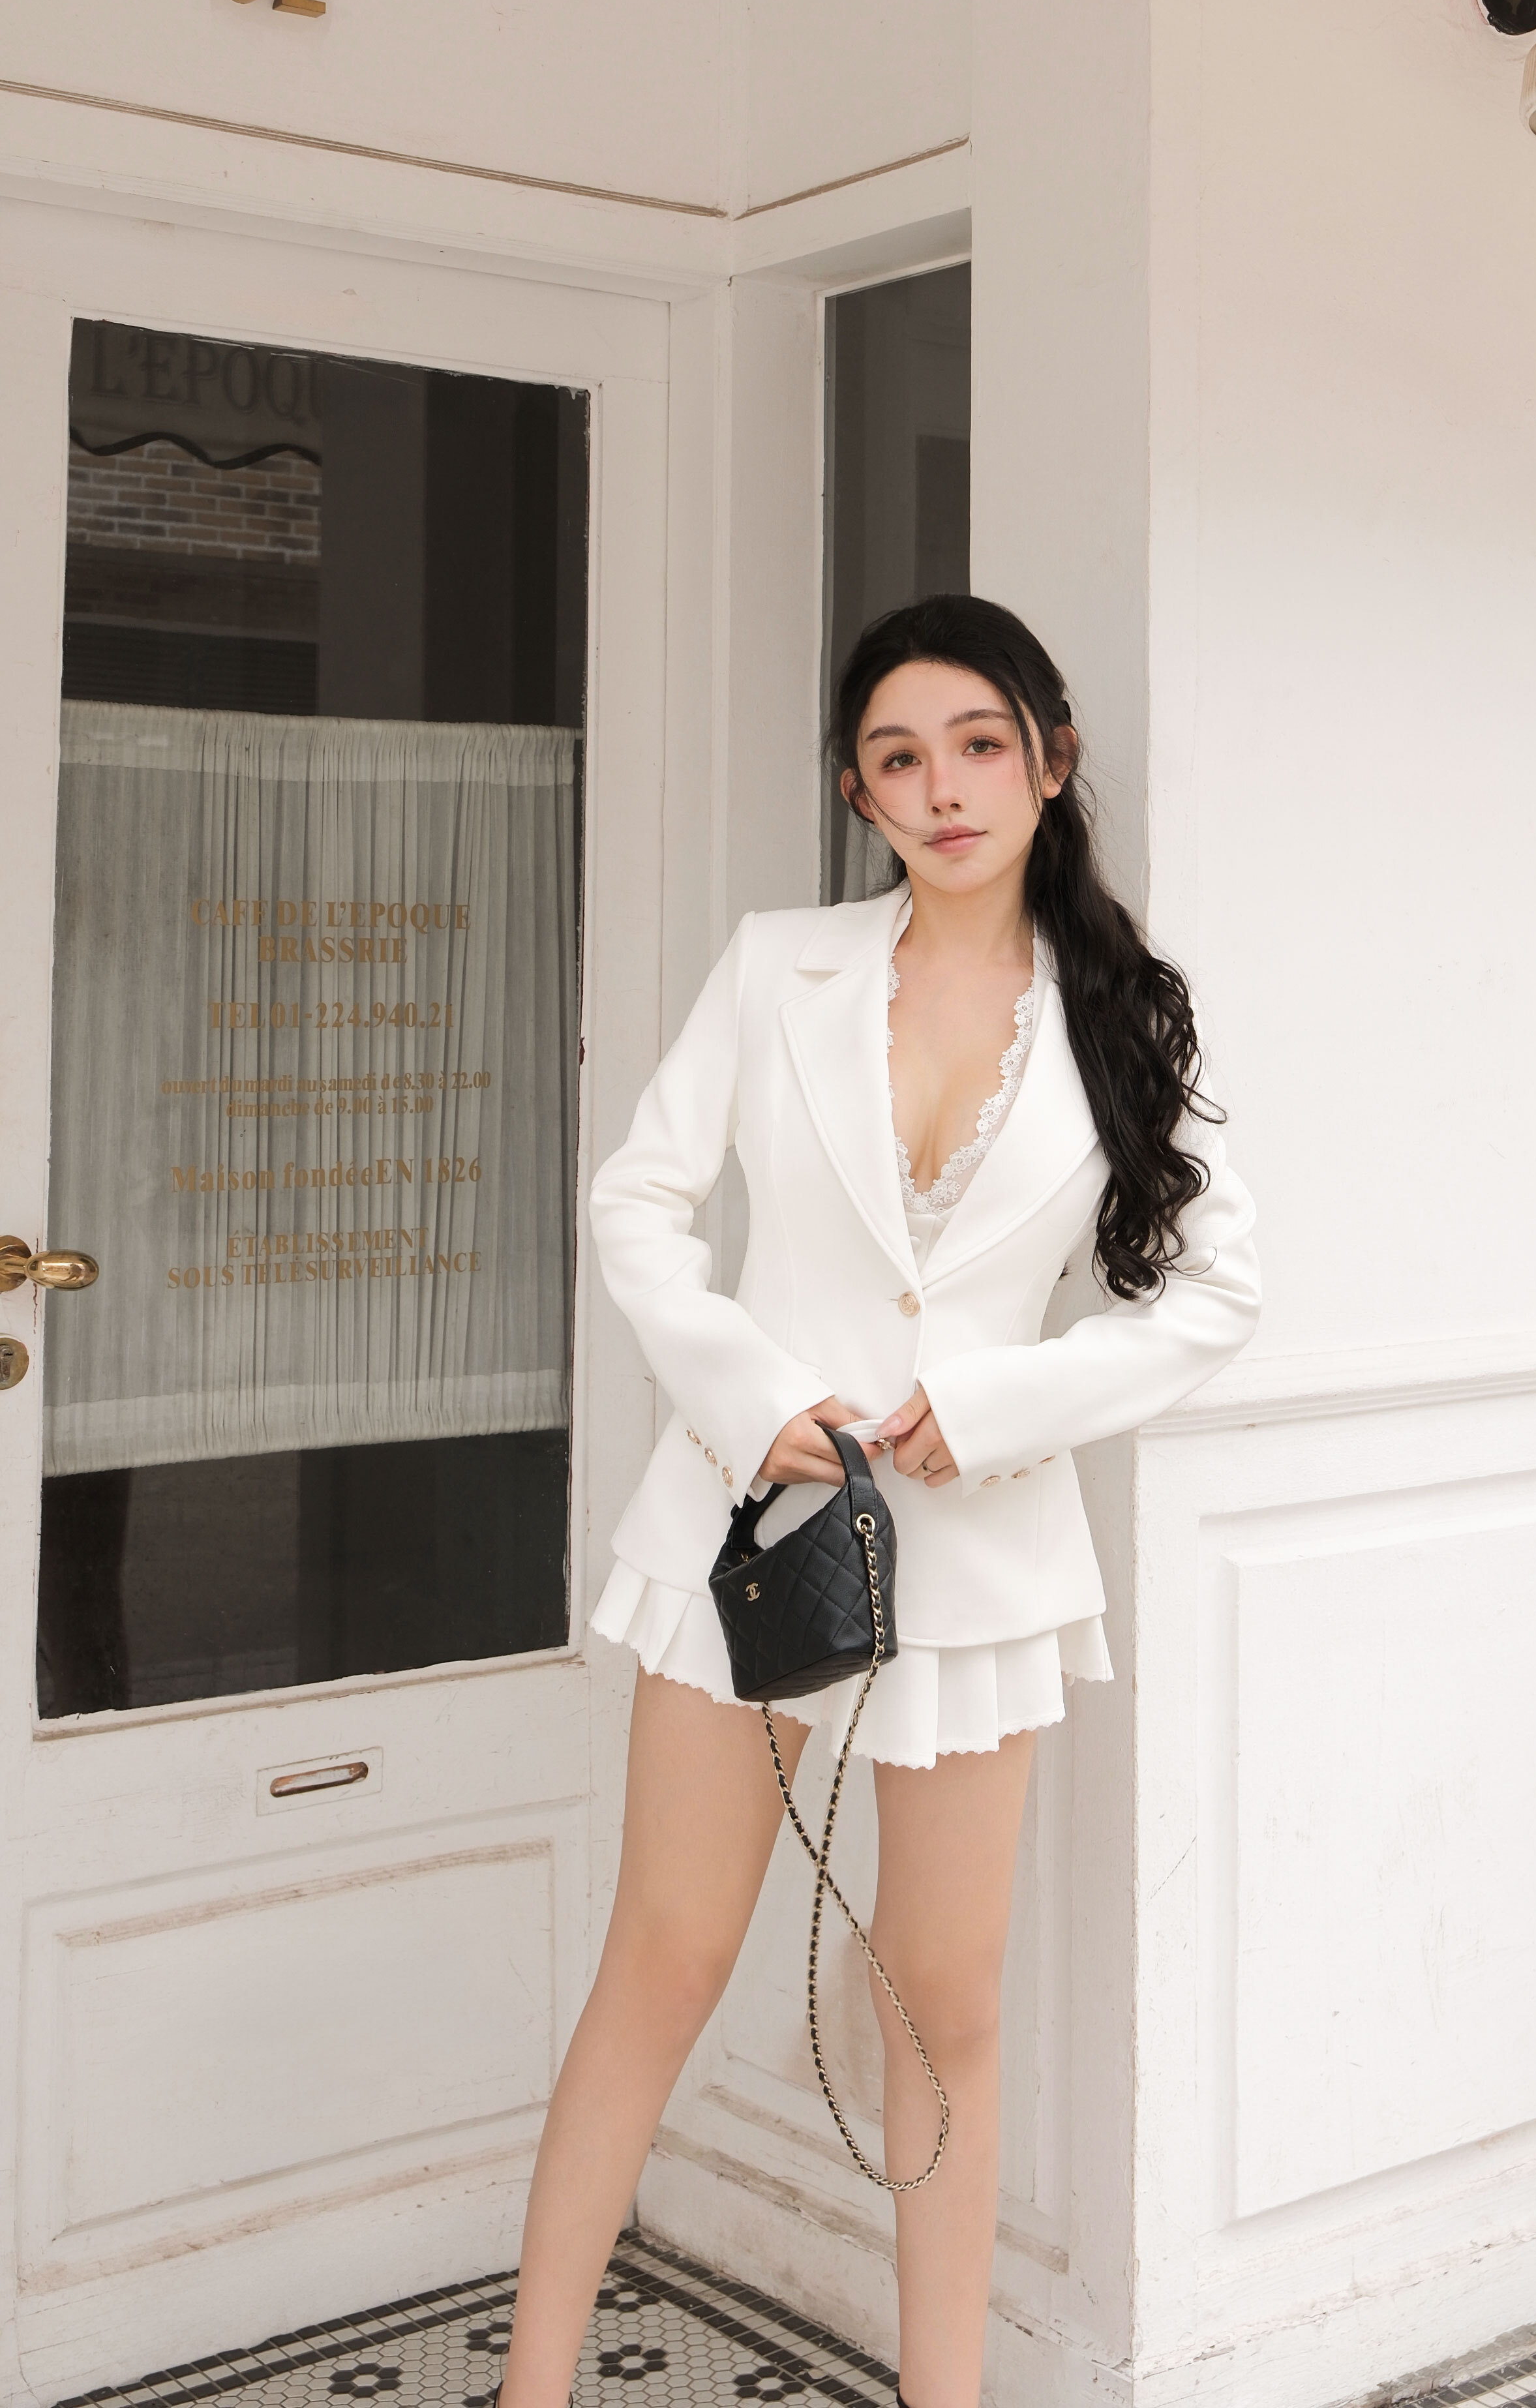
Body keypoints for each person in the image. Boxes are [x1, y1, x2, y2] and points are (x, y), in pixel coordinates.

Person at [494, 593, 1261, 2408]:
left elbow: (1217, 1294)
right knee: (661, 1963)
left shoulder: (1126, 1013)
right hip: (744, 1534)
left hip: (980, 1565)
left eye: (980, 746)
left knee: (943, 2004)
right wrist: (747, 1392)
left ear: (1051, 762)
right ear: (859, 790)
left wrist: (991, 1408)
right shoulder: (783, 967)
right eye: (900, 759)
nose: (945, 790)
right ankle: (530, 2391)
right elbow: (638, 1201)